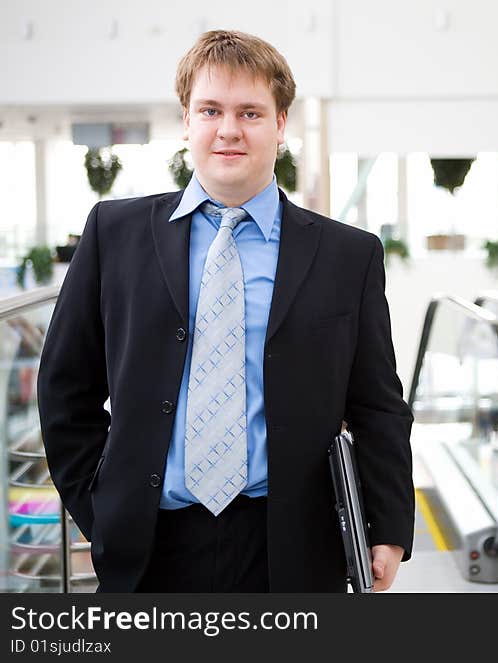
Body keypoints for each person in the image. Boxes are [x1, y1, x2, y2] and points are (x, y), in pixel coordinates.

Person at [37, 30, 414, 592]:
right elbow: (66, 389)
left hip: (293, 546)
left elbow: (378, 405)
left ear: (281, 124)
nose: (229, 129)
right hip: (149, 546)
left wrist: (387, 526)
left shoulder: (348, 256)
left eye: (250, 112)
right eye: (210, 110)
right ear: (187, 120)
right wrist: (102, 507)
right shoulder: (113, 235)